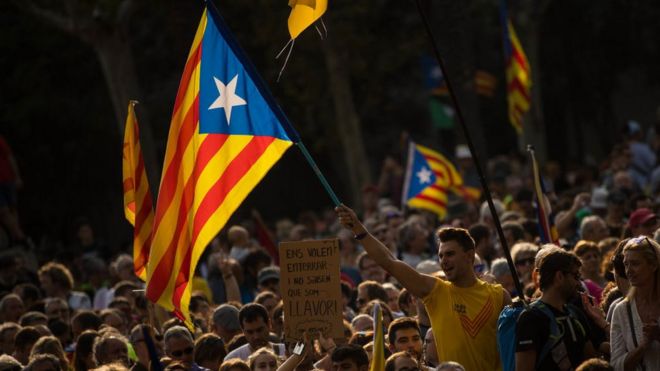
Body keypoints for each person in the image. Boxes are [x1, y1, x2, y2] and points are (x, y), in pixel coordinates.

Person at [336, 205, 509, 370]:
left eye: (450, 254)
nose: (443, 261)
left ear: (469, 256)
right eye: (440, 256)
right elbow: (390, 262)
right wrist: (358, 228)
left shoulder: (499, 295)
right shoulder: (436, 291)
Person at [515, 249, 597, 370]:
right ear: (559, 277)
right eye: (576, 276)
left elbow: (591, 360)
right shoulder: (530, 318)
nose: (579, 283)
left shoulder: (575, 313)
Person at [610, 236, 660, 370]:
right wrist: (643, 347)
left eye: (635, 264)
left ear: (653, 265)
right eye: (626, 264)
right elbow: (616, 365)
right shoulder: (621, 310)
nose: (629, 270)